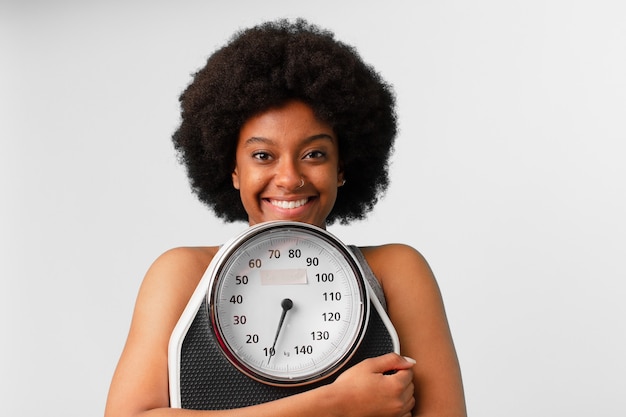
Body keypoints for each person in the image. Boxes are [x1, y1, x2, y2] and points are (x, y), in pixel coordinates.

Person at [105, 19, 466, 417]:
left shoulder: (396, 272)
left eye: (314, 154)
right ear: (233, 169)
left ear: (343, 167)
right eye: (263, 156)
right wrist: (335, 403)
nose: (290, 178)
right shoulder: (182, 274)